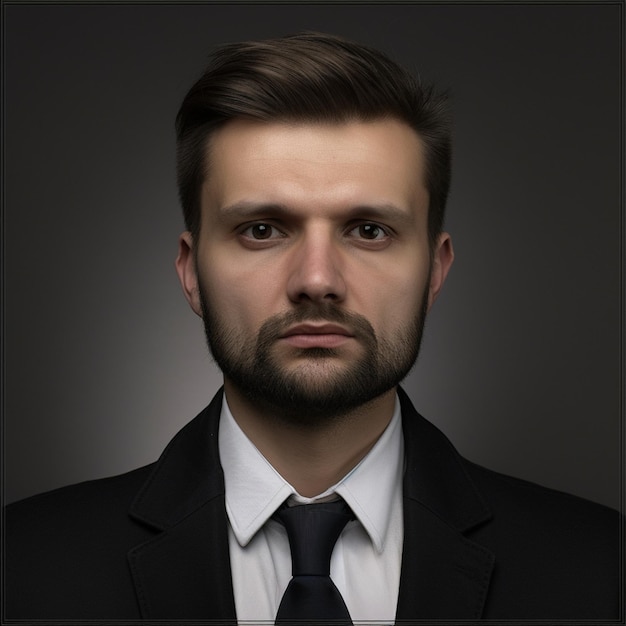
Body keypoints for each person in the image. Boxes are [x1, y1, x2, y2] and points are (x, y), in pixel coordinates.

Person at [5, 32, 619, 622]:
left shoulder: (602, 573)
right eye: (263, 229)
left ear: (435, 270)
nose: (318, 279)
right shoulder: (23, 569)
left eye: (369, 230)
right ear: (193, 273)